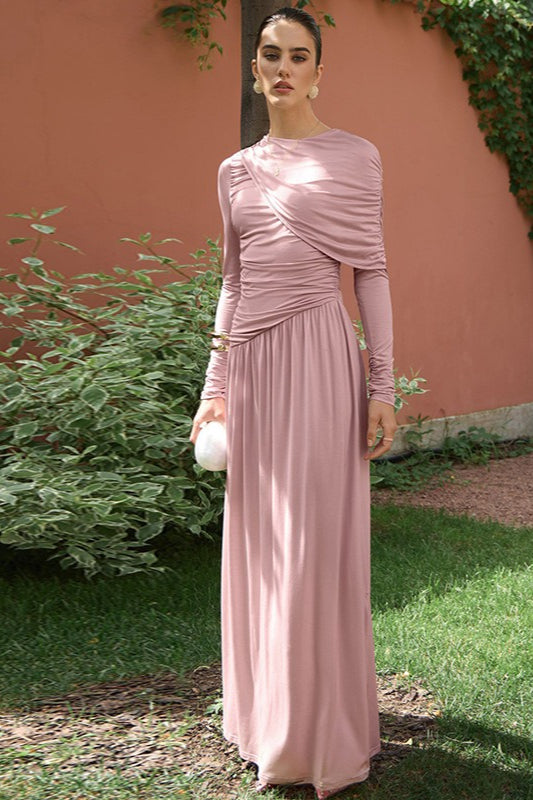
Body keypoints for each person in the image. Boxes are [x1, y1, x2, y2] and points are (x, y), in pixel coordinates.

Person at [189, 6, 398, 798]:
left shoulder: (355, 156)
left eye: (298, 56)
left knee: (311, 544)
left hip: (317, 357)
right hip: (253, 369)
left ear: (318, 72)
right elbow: (232, 281)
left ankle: (323, 733)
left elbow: (370, 271)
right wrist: (213, 388)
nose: (282, 68)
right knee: (263, 544)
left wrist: (381, 386)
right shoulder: (233, 171)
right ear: (254, 69)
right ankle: (268, 724)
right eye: (270, 55)